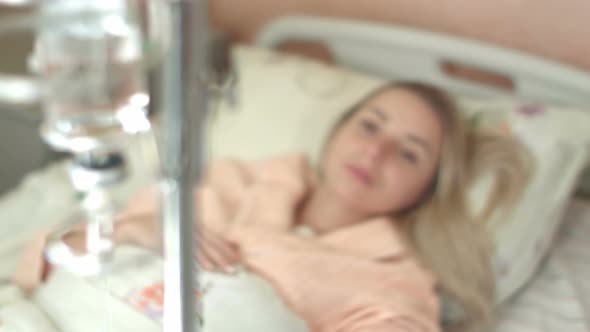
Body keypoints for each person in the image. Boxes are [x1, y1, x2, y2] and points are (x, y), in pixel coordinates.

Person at [15, 81, 531, 332]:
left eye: (410, 152)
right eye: (370, 125)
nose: (375, 152)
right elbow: (46, 263)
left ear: (428, 188)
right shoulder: (229, 183)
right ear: (338, 131)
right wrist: (137, 230)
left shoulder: (397, 282)